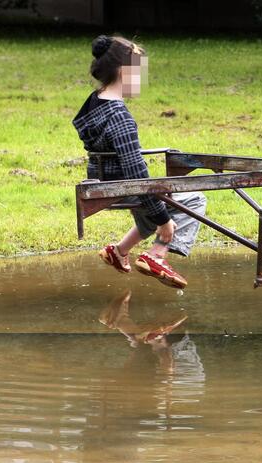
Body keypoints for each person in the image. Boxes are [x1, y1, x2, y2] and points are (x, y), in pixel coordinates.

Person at [73, 35, 207, 288]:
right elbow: (137, 175)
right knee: (195, 199)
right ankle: (157, 254)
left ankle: (119, 250)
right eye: (139, 73)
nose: (142, 80)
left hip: (104, 180)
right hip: (123, 187)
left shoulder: (94, 102)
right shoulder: (119, 116)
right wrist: (164, 222)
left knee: (154, 208)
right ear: (124, 72)